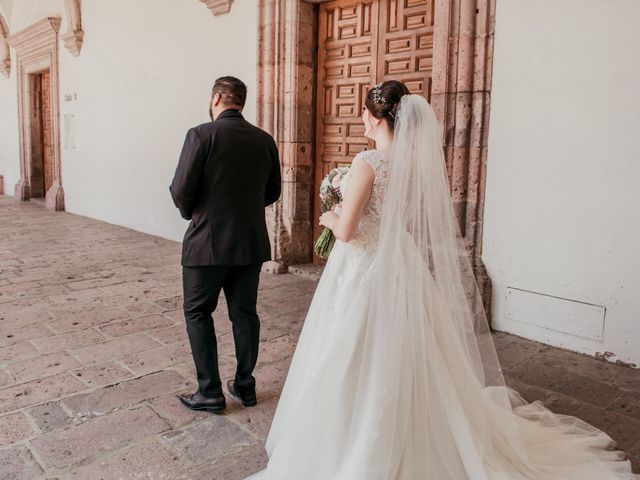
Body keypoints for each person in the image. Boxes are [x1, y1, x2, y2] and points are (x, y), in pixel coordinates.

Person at [247, 81, 638, 479]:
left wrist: (327, 214)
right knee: (407, 349)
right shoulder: (417, 165)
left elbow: (347, 232)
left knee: (353, 348)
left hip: (364, 268)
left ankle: (354, 439)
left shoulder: (367, 162)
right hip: (400, 262)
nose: (362, 120)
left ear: (374, 115)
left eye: (364, 113)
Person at [170, 76, 281, 413]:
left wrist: (195, 213)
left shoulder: (201, 134)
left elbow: (180, 189)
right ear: (241, 102)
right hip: (249, 243)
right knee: (244, 315)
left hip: (207, 244)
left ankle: (210, 392)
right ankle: (245, 387)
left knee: (197, 312)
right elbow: (272, 192)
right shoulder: (264, 139)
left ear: (217, 97)